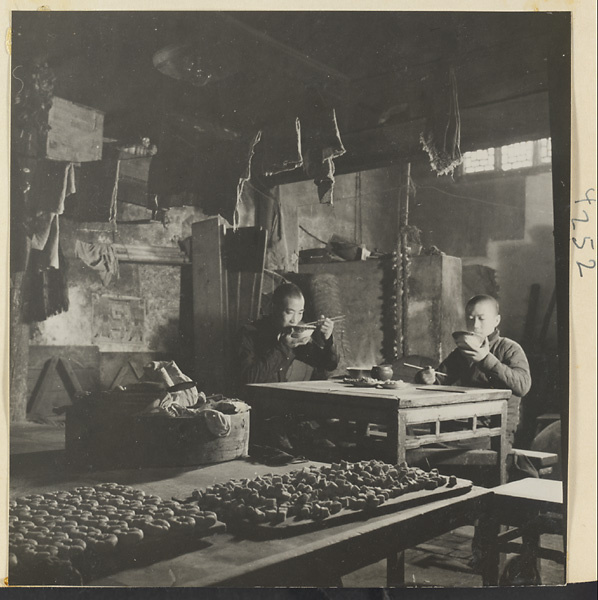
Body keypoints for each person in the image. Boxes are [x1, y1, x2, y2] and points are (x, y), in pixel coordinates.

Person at [416, 294, 532, 452]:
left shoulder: (510, 348)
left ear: (496, 321)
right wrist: (428, 378)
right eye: (470, 319)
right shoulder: (461, 352)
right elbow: (441, 379)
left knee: (424, 450)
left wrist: (485, 359)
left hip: (493, 432)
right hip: (458, 429)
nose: (475, 325)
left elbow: (523, 386)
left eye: (481, 318)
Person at [236, 282, 339, 385]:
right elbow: (248, 378)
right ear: (274, 308)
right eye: (289, 312)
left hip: (279, 396)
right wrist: (283, 346)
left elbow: (328, 365)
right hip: (252, 398)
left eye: (300, 313)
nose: (295, 320)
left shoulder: (292, 334)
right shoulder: (249, 332)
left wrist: (328, 339)